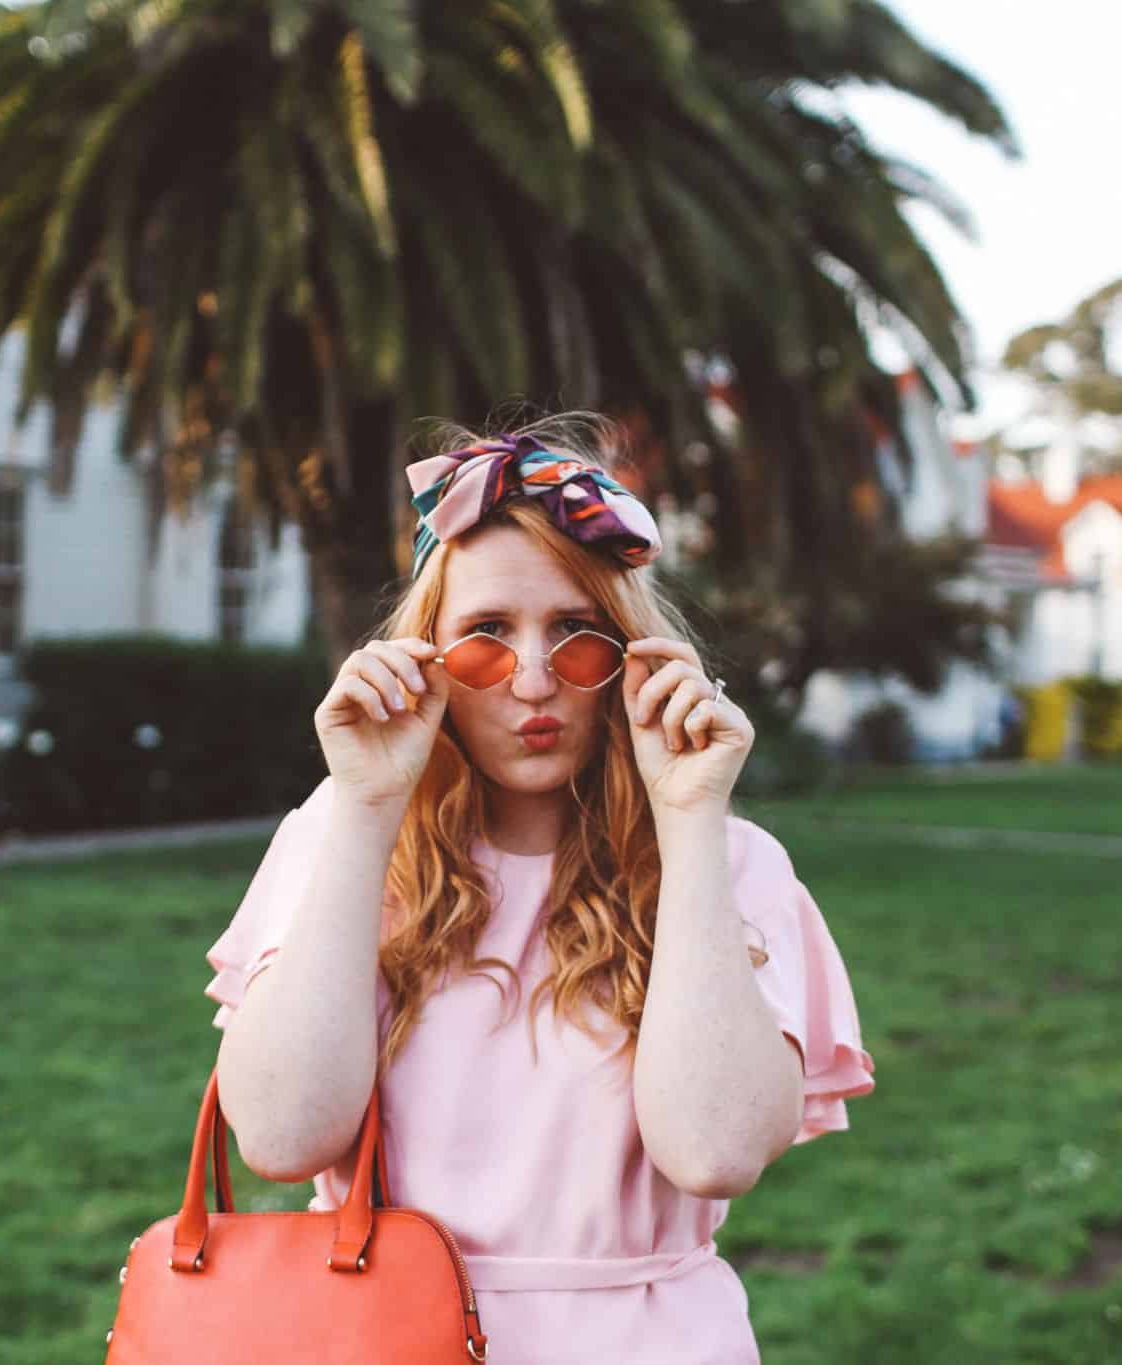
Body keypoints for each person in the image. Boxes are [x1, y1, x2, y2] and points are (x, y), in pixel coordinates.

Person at [204, 416, 875, 1363]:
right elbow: (279, 1134)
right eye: (484, 636)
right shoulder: (345, 834)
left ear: (633, 656)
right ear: (424, 658)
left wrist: (687, 822)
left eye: (578, 635)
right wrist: (366, 804)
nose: (531, 680)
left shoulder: (728, 857)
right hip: (386, 1334)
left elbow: (717, 1149)